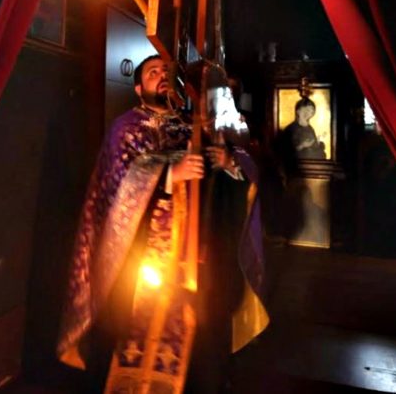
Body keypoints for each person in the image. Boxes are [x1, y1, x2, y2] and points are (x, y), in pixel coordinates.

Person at [57, 55, 268, 393]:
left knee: (199, 339)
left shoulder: (192, 124)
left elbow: (238, 161)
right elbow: (118, 182)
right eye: (152, 72)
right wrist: (170, 173)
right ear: (139, 88)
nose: (162, 76)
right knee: (137, 336)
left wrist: (229, 162)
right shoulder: (126, 128)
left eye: (166, 71)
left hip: (196, 257)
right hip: (143, 256)